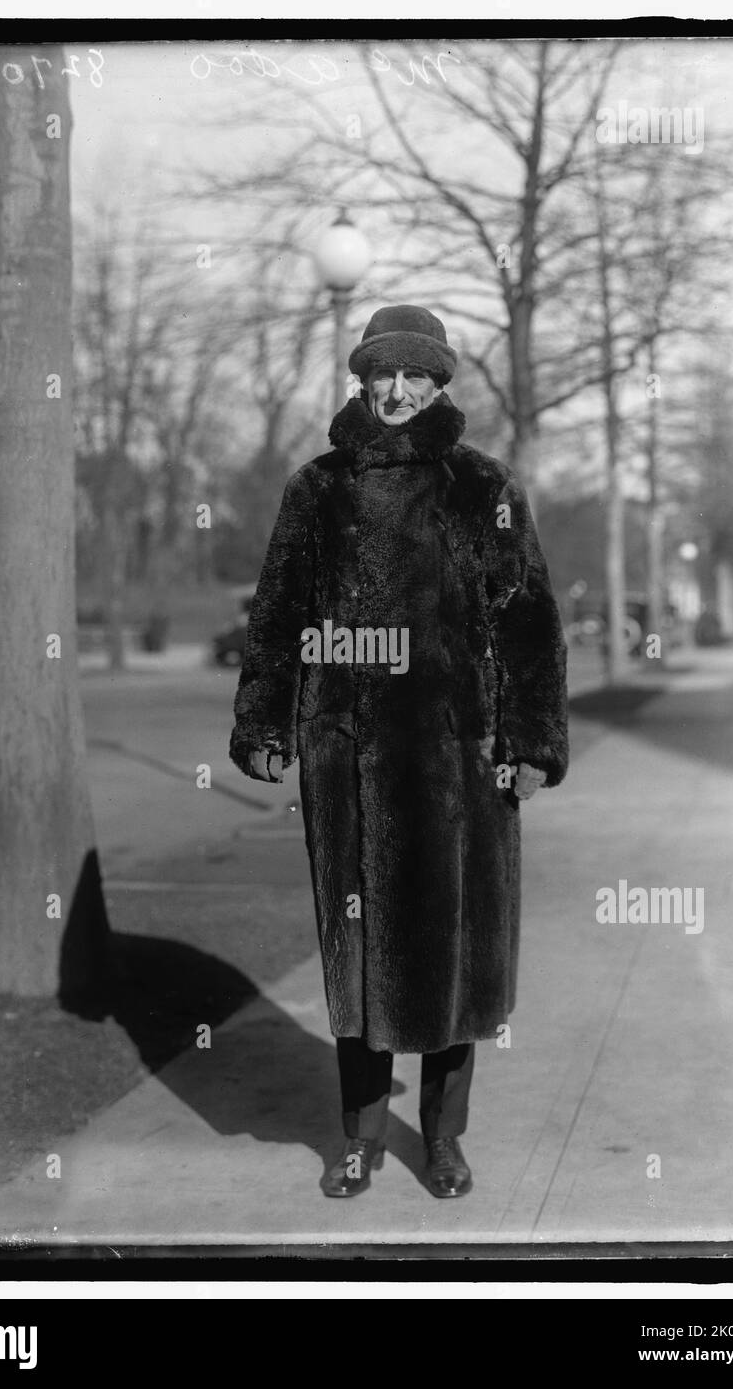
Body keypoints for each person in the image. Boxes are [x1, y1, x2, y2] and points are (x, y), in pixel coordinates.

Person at [229, 305, 569, 1198]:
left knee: (454, 957)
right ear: (361, 380)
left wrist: (530, 743)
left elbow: (528, 621)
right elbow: (276, 620)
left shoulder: (480, 487)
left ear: (439, 384)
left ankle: (445, 1138)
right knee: (359, 962)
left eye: (415, 376)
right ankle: (358, 1141)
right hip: (347, 757)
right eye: (383, 374)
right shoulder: (318, 489)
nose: (397, 391)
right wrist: (266, 724)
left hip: (461, 760)